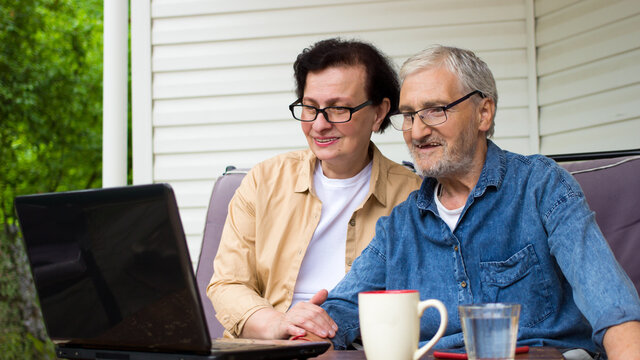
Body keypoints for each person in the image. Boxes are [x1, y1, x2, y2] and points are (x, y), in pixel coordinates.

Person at [301, 45, 640, 359]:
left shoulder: (540, 187)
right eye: (408, 115)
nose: (417, 132)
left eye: (435, 111)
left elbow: (613, 309)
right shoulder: (402, 225)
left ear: (484, 114)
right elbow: (341, 310)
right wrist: (311, 322)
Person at [206, 38, 422, 340]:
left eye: (338, 109)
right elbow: (227, 283)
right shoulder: (263, 181)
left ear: (378, 113)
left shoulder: (415, 197)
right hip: (267, 346)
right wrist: (275, 323)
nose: (319, 125)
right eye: (309, 108)